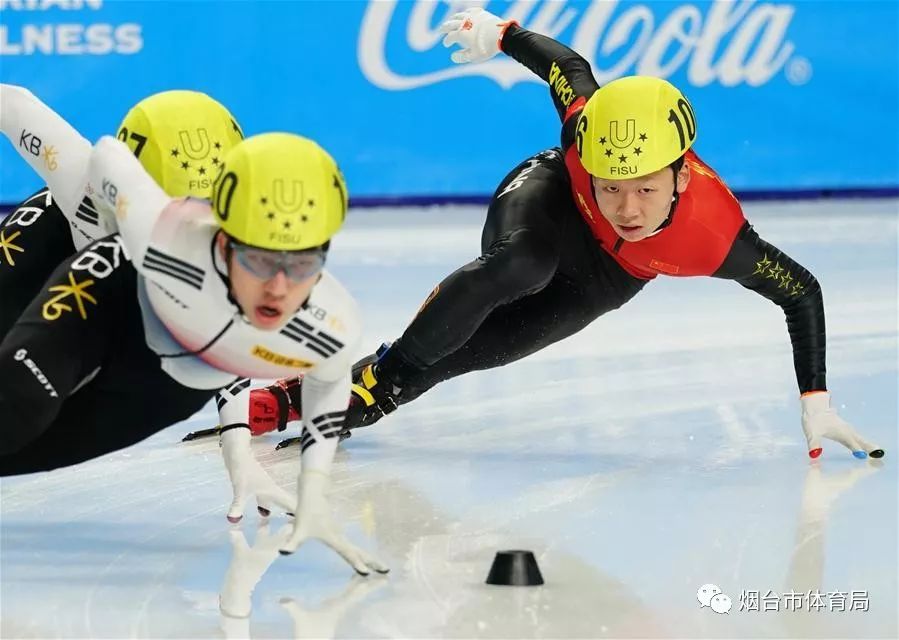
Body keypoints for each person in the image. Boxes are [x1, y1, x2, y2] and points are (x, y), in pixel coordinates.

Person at [251, 8, 884, 461]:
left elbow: (800, 290)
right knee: (523, 264)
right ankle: (380, 375)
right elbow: (567, 64)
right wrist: (500, 33)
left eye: (645, 188)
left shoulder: (715, 236)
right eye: (611, 184)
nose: (627, 207)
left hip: (613, 274)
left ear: (681, 179)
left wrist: (815, 400)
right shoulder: (587, 124)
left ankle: (308, 399)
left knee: (479, 349)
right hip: (550, 199)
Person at [0, 86, 387, 573]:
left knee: (22, 450)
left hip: (166, 355)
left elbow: (259, 348)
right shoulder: (157, 230)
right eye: (175, 201)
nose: (280, 286)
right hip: (108, 280)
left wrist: (264, 462)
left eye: (302, 263)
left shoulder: (324, 321)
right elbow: (27, 113)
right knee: (15, 407)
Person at [0, 85, 244, 338]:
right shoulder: (80, 182)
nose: (189, 228)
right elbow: (11, 104)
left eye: (209, 209)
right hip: (50, 240)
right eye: (169, 207)